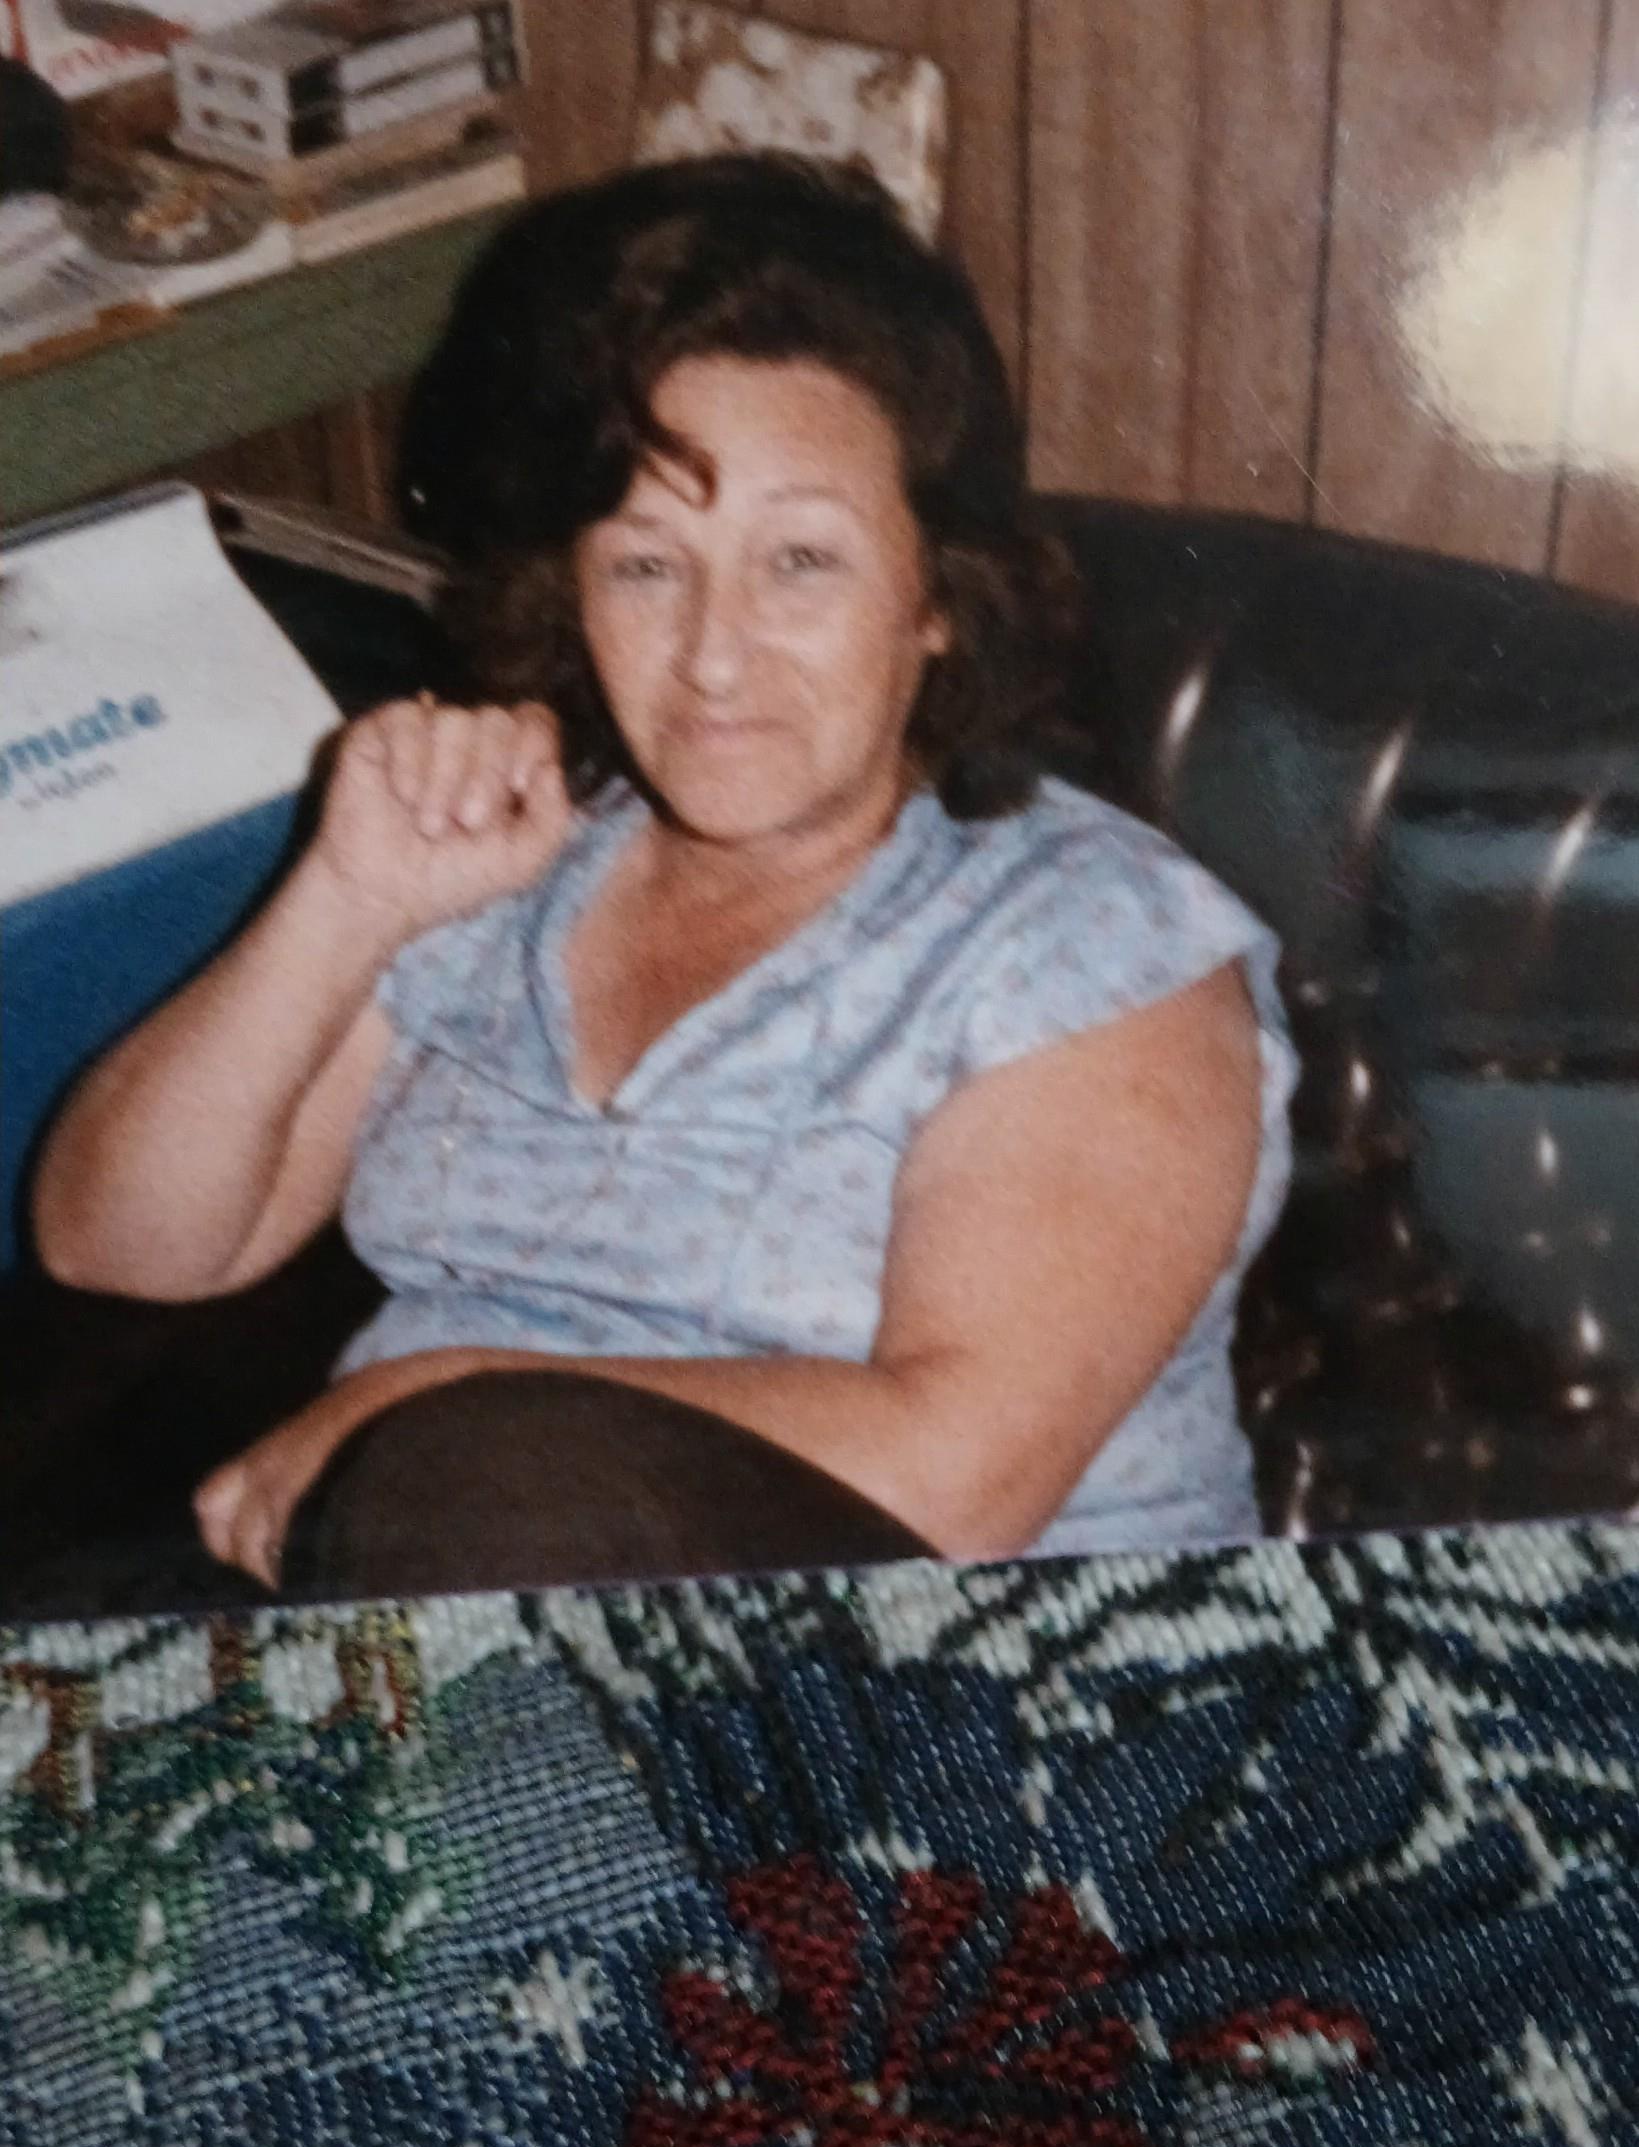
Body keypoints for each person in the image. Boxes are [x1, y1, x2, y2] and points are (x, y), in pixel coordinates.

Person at [32, 152, 1295, 1595]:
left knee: (482, 1498)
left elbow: (961, 1479)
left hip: (976, 1705)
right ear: (570, 588)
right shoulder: (514, 864)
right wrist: (347, 901)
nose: (711, 652)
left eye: (800, 563)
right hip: (466, 1614)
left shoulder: (1086, 940)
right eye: (645, 565)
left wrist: (431, 1398)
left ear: (938, 598)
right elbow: (120, 1246)